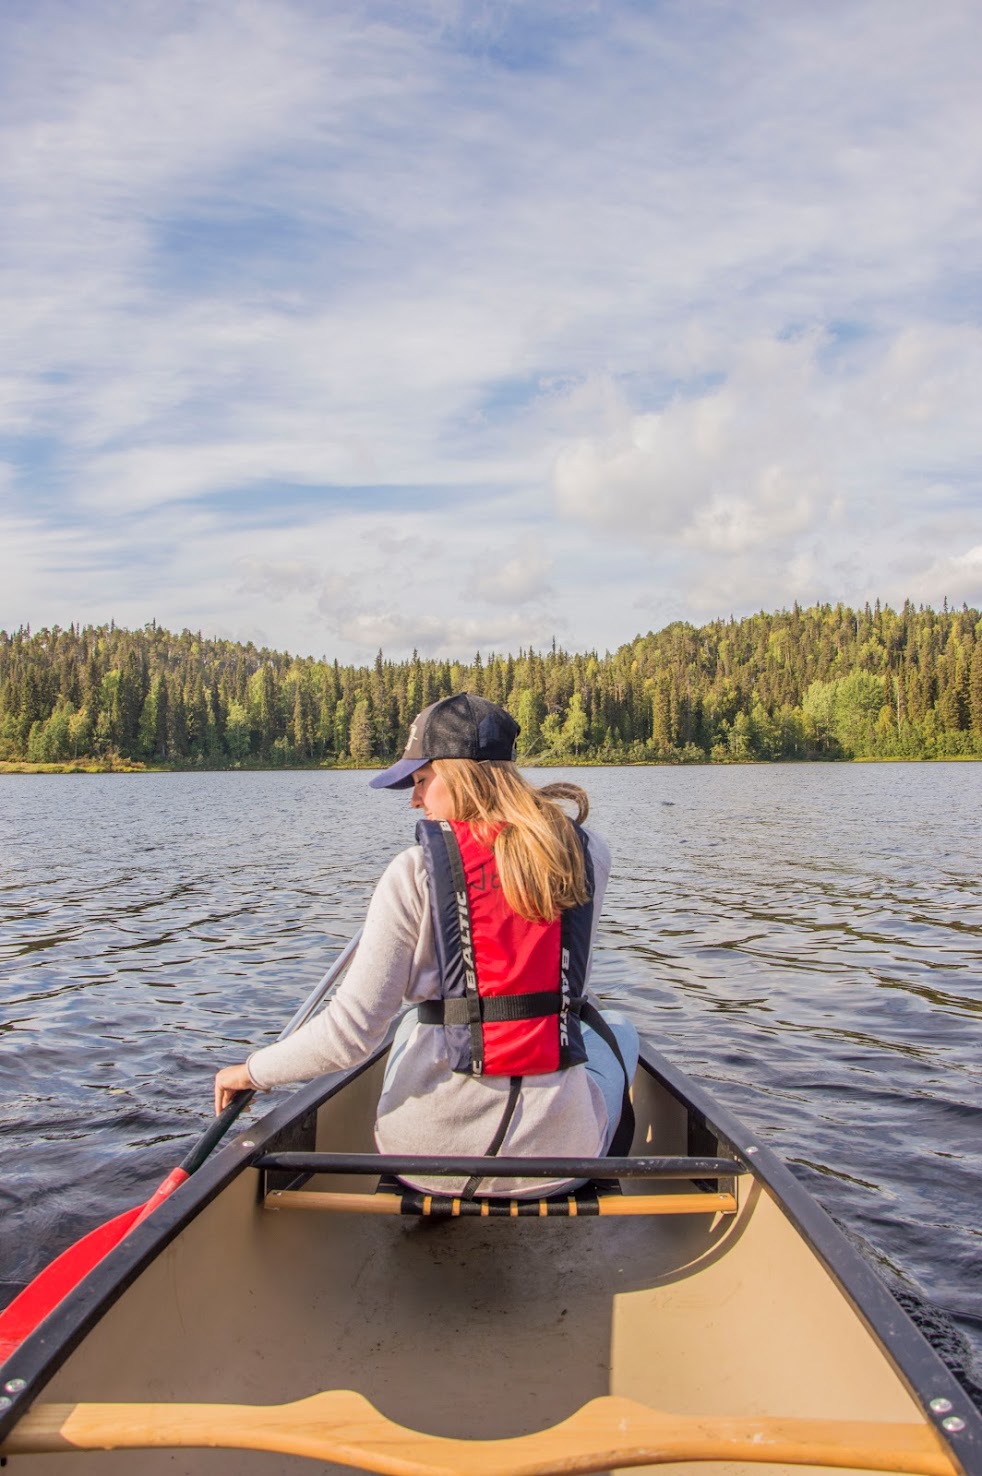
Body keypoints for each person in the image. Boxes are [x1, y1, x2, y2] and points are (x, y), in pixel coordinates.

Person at [214, 692, 638, 1198]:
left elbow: (350, 1036)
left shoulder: (411, 872)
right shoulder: (589, 853)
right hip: (556, 1167)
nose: (414, 800)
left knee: (415, 1018)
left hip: (425, 1164)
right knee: (619, 1029)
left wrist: (251, 1072)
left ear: (459, 776)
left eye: (420, 781)